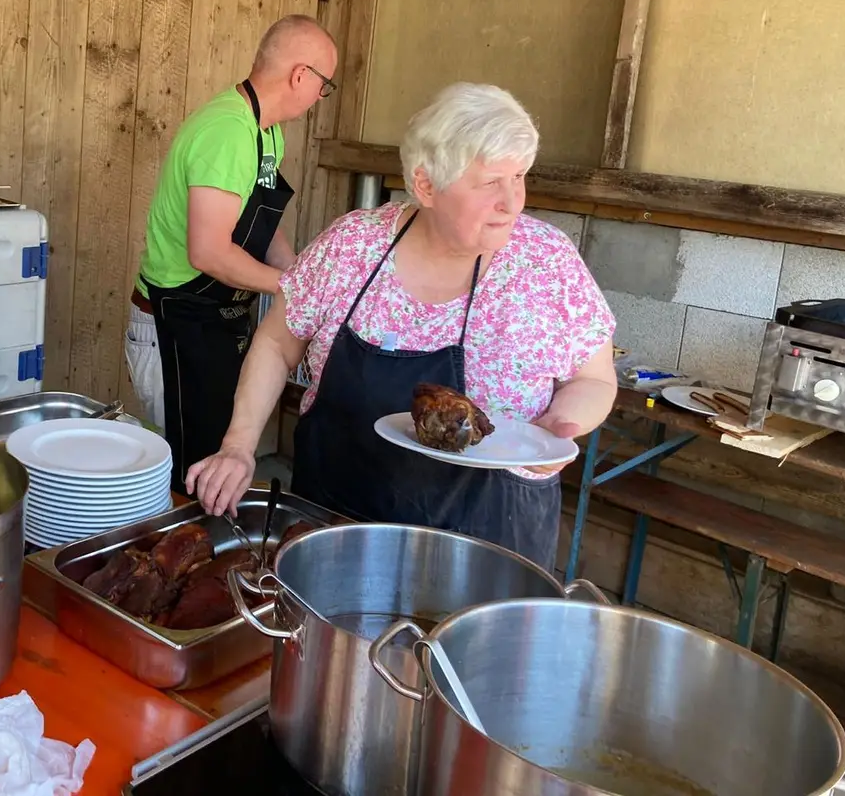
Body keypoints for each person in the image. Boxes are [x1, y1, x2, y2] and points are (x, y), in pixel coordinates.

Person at [185, 82, 617, 572]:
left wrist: (558, 428)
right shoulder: (352, 246)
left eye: (519, 176)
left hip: (488, 549)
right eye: (491, 181)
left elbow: (595, 380)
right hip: (337, 527)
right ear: (426, 184)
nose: (512, 201)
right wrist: (239, 447)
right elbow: (276, 343)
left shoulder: (547, 264)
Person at [126, 14, 337, 492]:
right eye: (325, 85)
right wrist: (293, 288)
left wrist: (300, 270)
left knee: (219, 457)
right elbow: (209, 253)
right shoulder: (226, 132)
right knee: (188, 472)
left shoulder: (268, 133)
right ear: (301, 76)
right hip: (174, 321)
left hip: (216, 320)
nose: (319, 98)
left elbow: (263, 222)